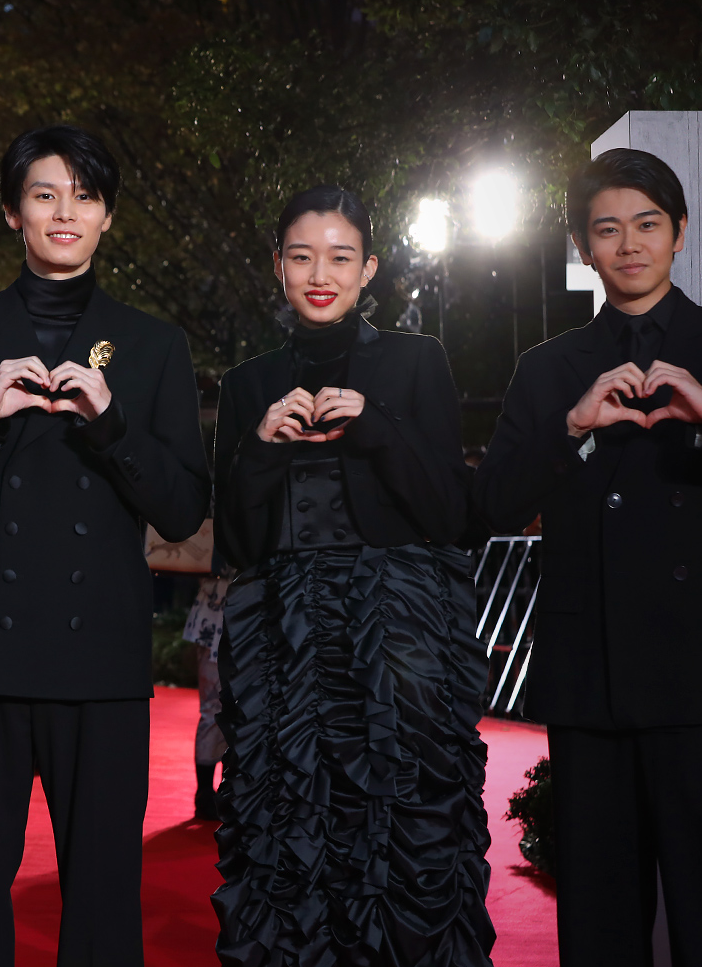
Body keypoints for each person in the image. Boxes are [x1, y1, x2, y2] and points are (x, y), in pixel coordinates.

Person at [0, 124, 210, 965]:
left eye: (85, 196)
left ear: (107, 218)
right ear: (11, 213)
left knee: (103, 904)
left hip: (97, 666)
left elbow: (182, 512)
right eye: (44, 194)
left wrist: (113, 425)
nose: (65, 212)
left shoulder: (153, 344)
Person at [474, 148, 702, 965]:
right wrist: (570, 428)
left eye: (647, 224)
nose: (629, 244)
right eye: (608, 229)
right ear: (583, 247)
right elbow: (493, 502)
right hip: (592, 674)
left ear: (679, 233)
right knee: (602, 922)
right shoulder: (548, 370)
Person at [212, 185, 493, 966]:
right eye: (301, 256)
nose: (320, 273)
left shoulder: (416, 361)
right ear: (278, 266)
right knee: (287, 825)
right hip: (285, 642)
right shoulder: (246, 384)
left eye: (340, 256)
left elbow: (450, 510)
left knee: (403, 831)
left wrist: (373, 426)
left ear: (369, 268)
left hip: (395, 634)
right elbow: (234, 541)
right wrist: (262, 447)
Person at [182, 571, 230, 821]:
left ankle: (209, 794)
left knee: (215, 711)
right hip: (220, 615)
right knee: (216, 711)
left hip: (220, 611)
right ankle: (207, 794)